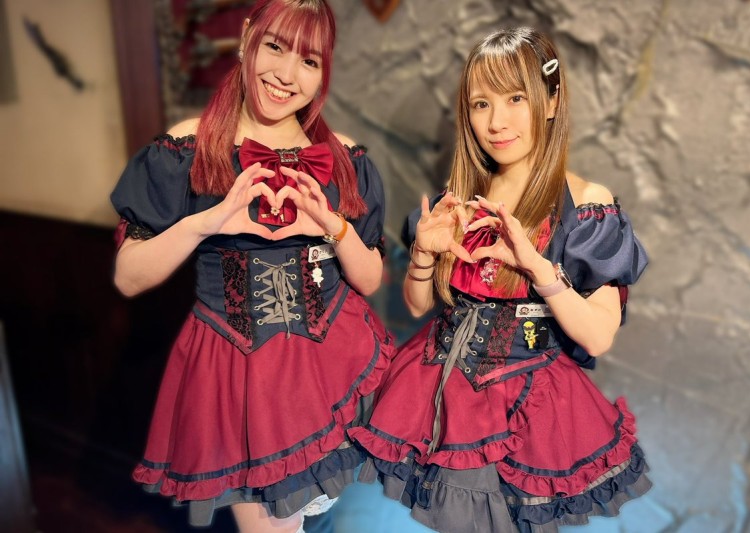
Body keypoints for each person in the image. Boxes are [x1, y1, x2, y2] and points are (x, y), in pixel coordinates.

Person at [348, 27, 651, 532]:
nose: (496, 122)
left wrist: (539, 269)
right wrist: (423, 252)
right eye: (481, 104)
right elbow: (419, 305)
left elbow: (599, 336)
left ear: (550, 102)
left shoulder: (585, 204)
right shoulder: (462, 194)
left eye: (515, 98)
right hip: (443, 398)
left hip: (533, 410)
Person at [110, 1, 394, 531]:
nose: (287, 75)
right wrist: (205, 223)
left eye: (309, 61)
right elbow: (128, 276)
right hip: (241, 380)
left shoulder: (345, 158)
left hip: (337, 367)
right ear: (246, 39)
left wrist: (330, 226)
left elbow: (371, 277)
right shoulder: (189, 148)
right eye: (275, 47)